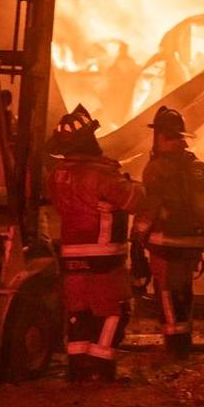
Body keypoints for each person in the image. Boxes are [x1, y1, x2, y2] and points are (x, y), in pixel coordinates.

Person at [47, 104, 144, 381]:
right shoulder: (103, 174)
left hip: (71, 254)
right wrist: (133, 184)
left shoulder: (56, 175)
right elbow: (134, 200)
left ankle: (78, 368)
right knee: (114, 311)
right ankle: (101, 368)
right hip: (104, 255)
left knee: (79, 312)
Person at [130, 106, 204, 358]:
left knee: (166, 291)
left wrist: (137, 237)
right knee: (183, 290)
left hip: (165, 241)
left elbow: (150, 208)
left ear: (161, 136)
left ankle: (174, 345)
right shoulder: (197, 166)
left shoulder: (156, 168)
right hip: (192, 242)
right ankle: (184, 339)